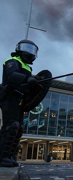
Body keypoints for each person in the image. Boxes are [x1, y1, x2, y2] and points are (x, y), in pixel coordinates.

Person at [0, 39, 40, 167]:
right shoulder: (12, 61)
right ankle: (1, 157)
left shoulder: (27, 67)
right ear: (19, 49)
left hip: (20, 101)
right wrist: (27, 79)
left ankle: (9, 156)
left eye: (32, 49)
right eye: (27, 48)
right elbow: (12, 76)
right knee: (10, 127)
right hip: (9, 98)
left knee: (18, 128)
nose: (30, 52)